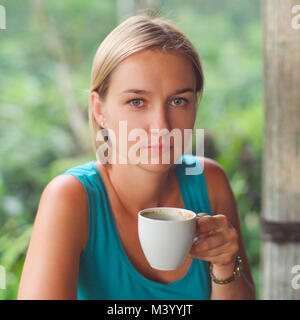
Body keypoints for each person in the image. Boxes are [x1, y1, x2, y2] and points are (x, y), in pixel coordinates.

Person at [18, 13, 255, 300]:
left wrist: (225, 263)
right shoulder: (71, 198)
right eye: (137, 102)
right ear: (99, 109)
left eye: (178, 101)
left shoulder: (209, 181)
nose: (162, 127)